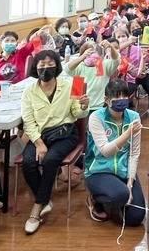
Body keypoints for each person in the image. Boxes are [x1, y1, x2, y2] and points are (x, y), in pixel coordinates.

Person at [20, 50, 89, 234]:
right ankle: (45, 199)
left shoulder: (72, 85)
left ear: (57, 66)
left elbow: (78, 114)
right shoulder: (29, 90)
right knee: (28, 163)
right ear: (35, 68)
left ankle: (36, 209)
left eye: (49, 64)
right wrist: (38, 143)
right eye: (41, 65)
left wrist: (83, 105)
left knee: (50, 160)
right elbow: (28, 121)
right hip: (40, 136)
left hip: (65, 134)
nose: (45, 68)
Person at [84, 78, 145, 225]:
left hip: (124, 171)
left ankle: (119, 195)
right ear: (106, 99)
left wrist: (130, 183)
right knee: (120, 195)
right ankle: (96, 198)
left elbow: (134, 153)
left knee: (136, 217)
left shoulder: (134, 117)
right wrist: (127, 134)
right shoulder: (96, 117)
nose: (122, 100)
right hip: (99, 171)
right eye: (117, 97)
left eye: (124, 96)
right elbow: (106, 151)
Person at [66, 40, 121, 113]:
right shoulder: (79, 67)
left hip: (99, 107)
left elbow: (116, 60)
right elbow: (67, 69)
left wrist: (110, 47)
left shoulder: (102, 65)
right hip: (80, 108)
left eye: (95, 52)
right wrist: (82, 57)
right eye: (89, 53)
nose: (92, 55)